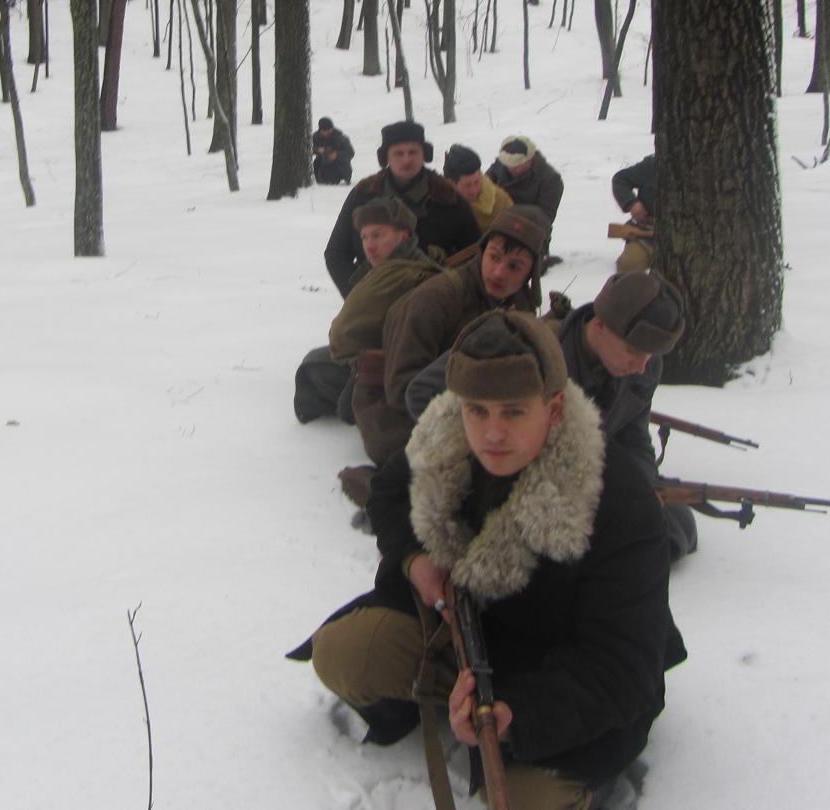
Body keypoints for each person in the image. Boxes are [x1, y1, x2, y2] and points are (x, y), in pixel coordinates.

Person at [294, 311, 685, 810]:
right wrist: (414, 560)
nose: (492, 433)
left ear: (555, 409)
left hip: (559, 680)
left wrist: (513, 714)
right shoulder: (446, 441)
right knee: (343, 654)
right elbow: (390, 492)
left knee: (521, 802)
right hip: (463, 637)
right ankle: (440, 708)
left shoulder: (618, 503)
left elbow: (622, 668)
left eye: (513, 412)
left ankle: (581, 781)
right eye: (476, 410)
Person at [346, 205, 549, 479]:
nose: (499, 272)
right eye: (494, 257)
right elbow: (401, 390)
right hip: (395, 413)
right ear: (482, 251)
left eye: (515, 266)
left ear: (530, 274)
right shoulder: (435, 299)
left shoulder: (520, 305)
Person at [556, 269, 697, 560]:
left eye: (650, 354)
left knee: (676, 523)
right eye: (634, 350)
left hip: (598, 481)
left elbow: (634, 437)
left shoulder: (644, 365)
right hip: (545, 487)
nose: (642, 366)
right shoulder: (545, 359)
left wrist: (642, 489)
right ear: (600, 325)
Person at [295, 198, 430, 424]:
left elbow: (344, 336)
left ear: (403, 235)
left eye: (378, 235)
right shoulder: (396, 268)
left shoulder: (401, 274)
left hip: (394, 372)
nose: (369, 245)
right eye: (364, 237)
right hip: (388, 364)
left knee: (312, 369)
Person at [324, 120, 480, 297]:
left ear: (424, 154)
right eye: (398, 153)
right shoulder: (363, 195)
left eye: (413, 152)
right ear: (386, 157)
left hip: (434, 302)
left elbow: (474, 256)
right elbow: (336, 254)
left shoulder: (449, 198)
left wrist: (448, 295)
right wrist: (360, 296)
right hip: (373, 301)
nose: (407, 160)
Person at [486, 135, 565, 228]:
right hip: (495, 221)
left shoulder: (551, 179)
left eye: (516, 165)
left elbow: (545, 218)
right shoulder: (500, 165)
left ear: (529, 160)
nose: (510, 168)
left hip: (529, 229)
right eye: (507, 164)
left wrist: (506, 209)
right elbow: (483, 188)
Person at [443, 143, 512, 234]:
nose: (474, 190)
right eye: (467, 185)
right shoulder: (436, 205)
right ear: (451, 183)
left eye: (477, 182)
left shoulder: (500, 201)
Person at [610, 154, 657, 272]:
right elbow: (620, 180)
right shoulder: (654, 164)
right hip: (648, 235)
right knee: (628, 265)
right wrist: (631, 203)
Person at [313, 118, 355, 185]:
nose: (327, 132)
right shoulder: (315, 137)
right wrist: (317, 150)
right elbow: (307, 149)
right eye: (324, 130)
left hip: (339, 167)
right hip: (322, 166)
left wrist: (336, 155)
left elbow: (350, 152)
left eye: (329, 130)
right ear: (320, 130)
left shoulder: (341, 138)